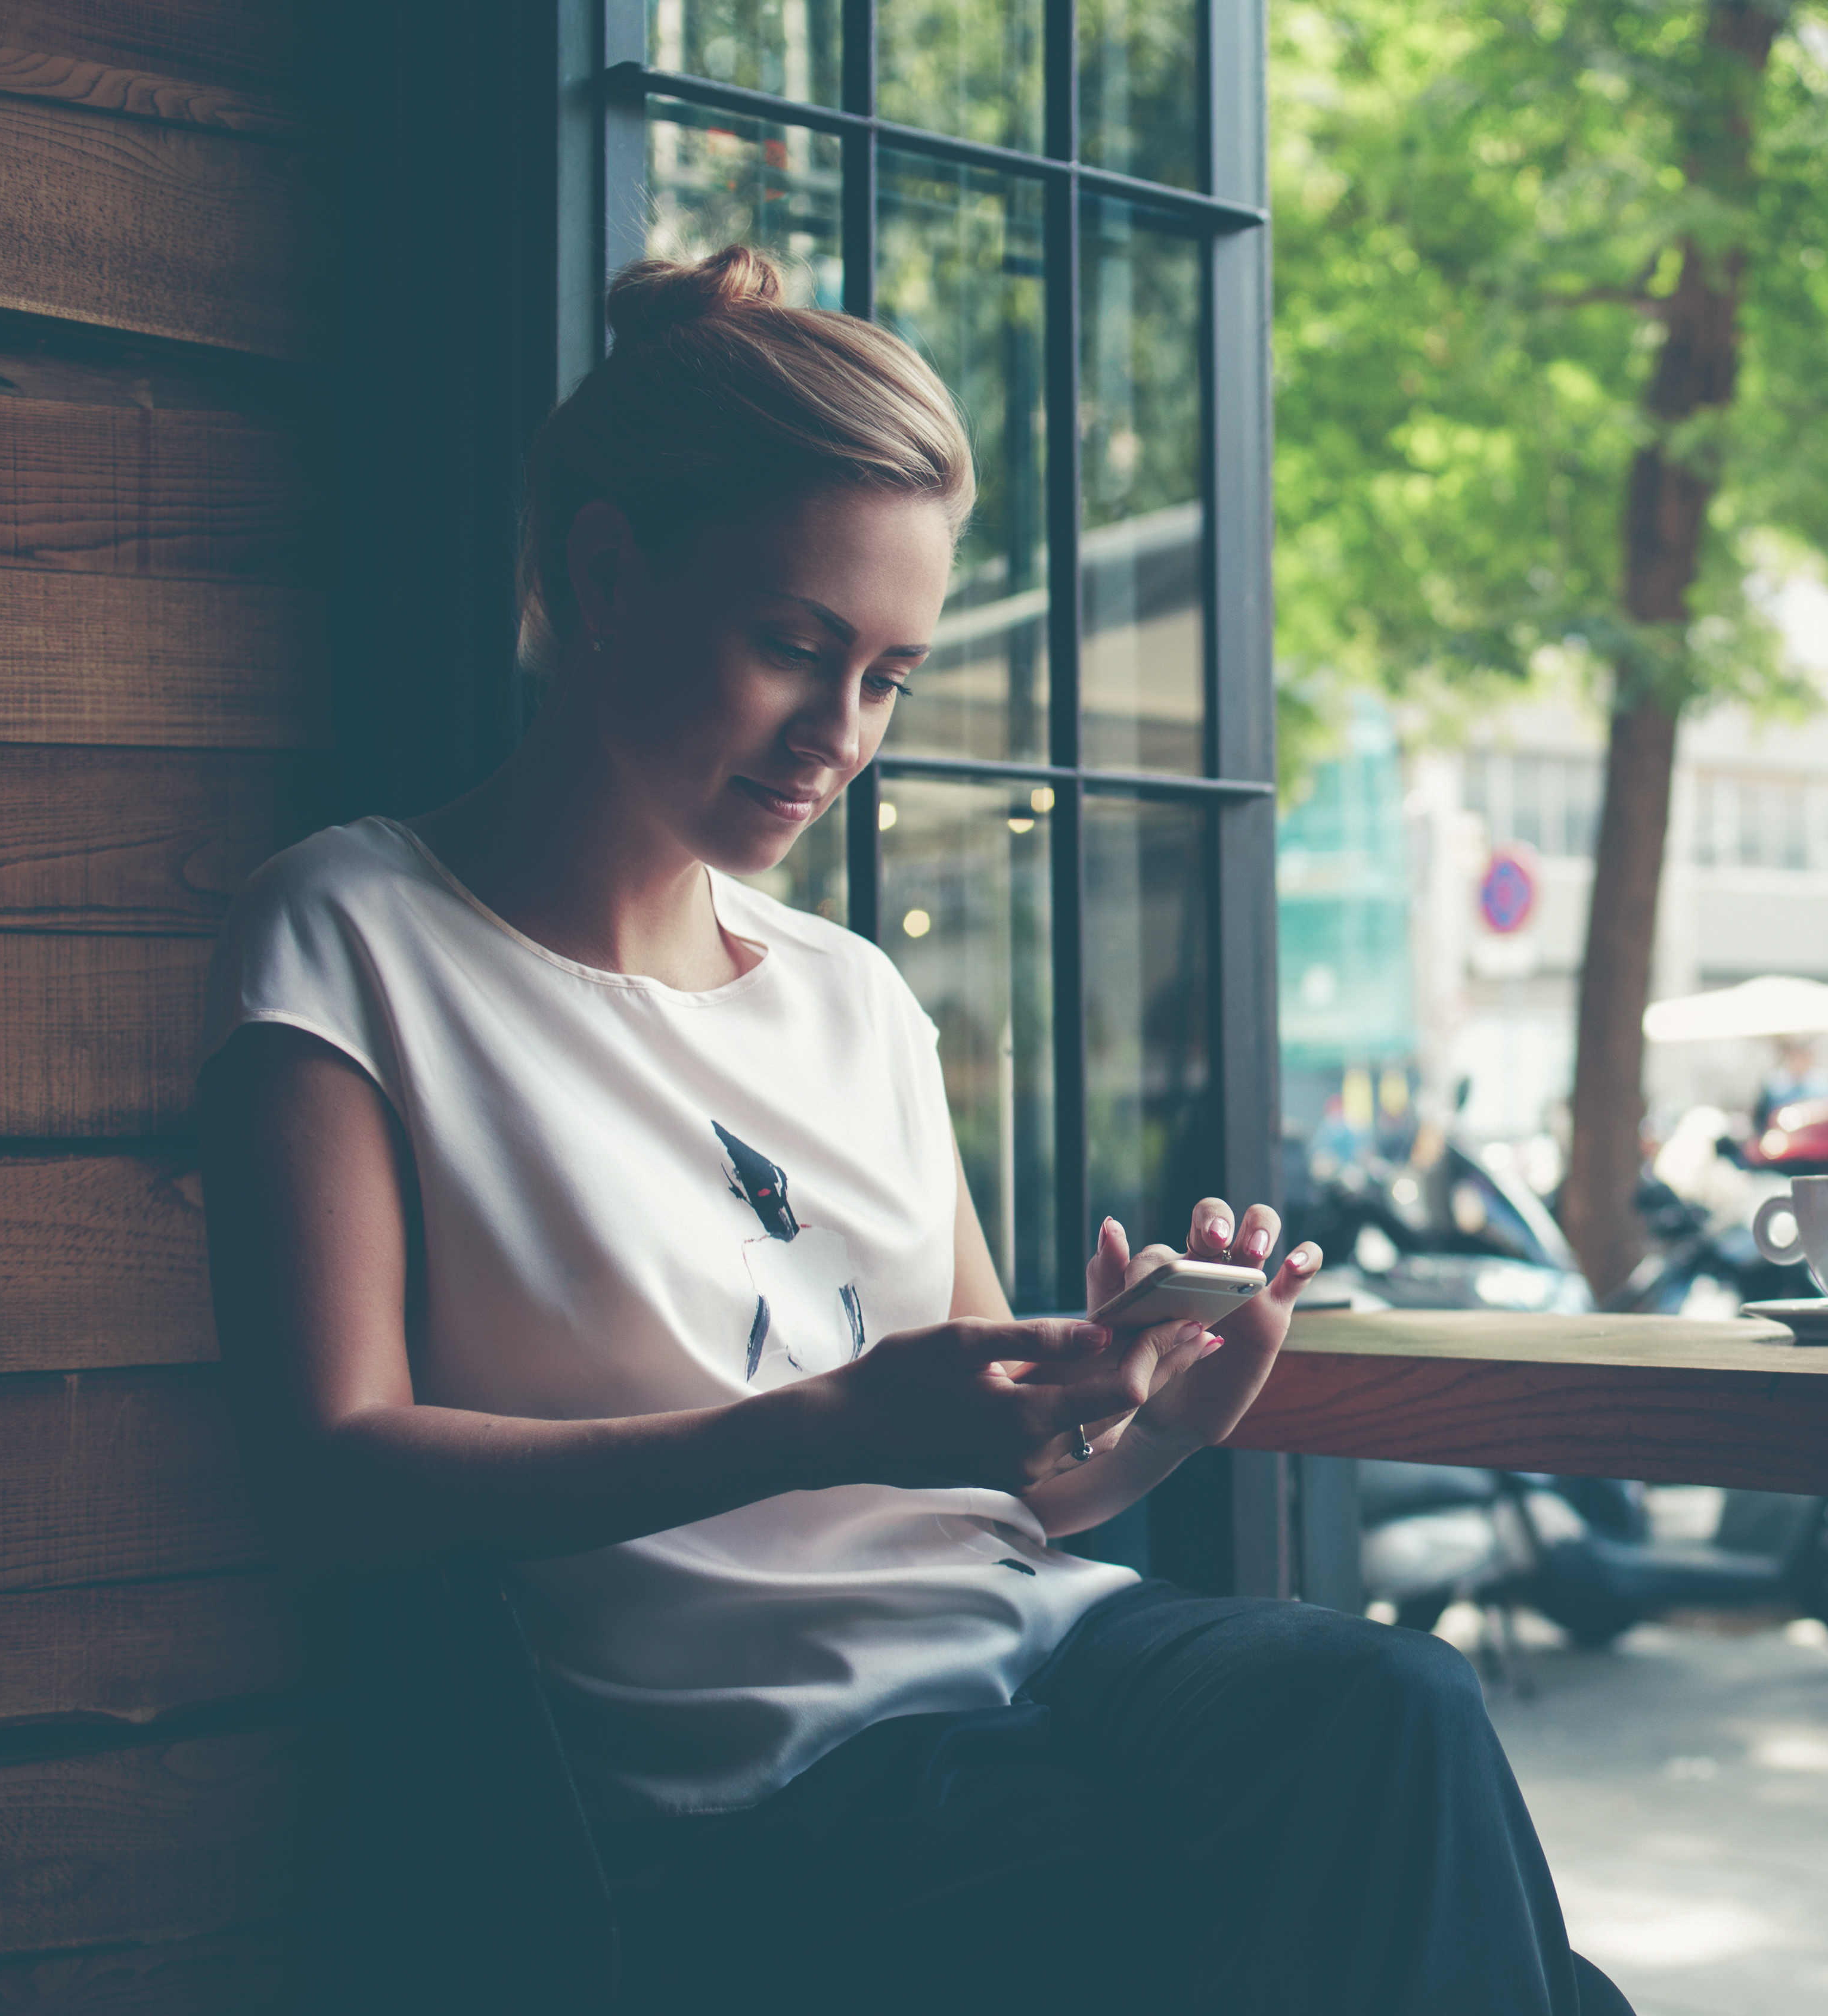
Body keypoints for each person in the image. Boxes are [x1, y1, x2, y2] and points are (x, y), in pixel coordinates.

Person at [197, 245, 1630, 2016]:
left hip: (1032, 1656)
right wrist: (814, 1426)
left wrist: (1159, 1412)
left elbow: (1009, 1492)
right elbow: (331, 1478)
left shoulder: (851, 992)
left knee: (1395, 1705)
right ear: (604, 572)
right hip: (753, 1775)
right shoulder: (354, 932)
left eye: (886, 675)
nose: (840, 736)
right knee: (1417, 1932)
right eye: (795, 647)